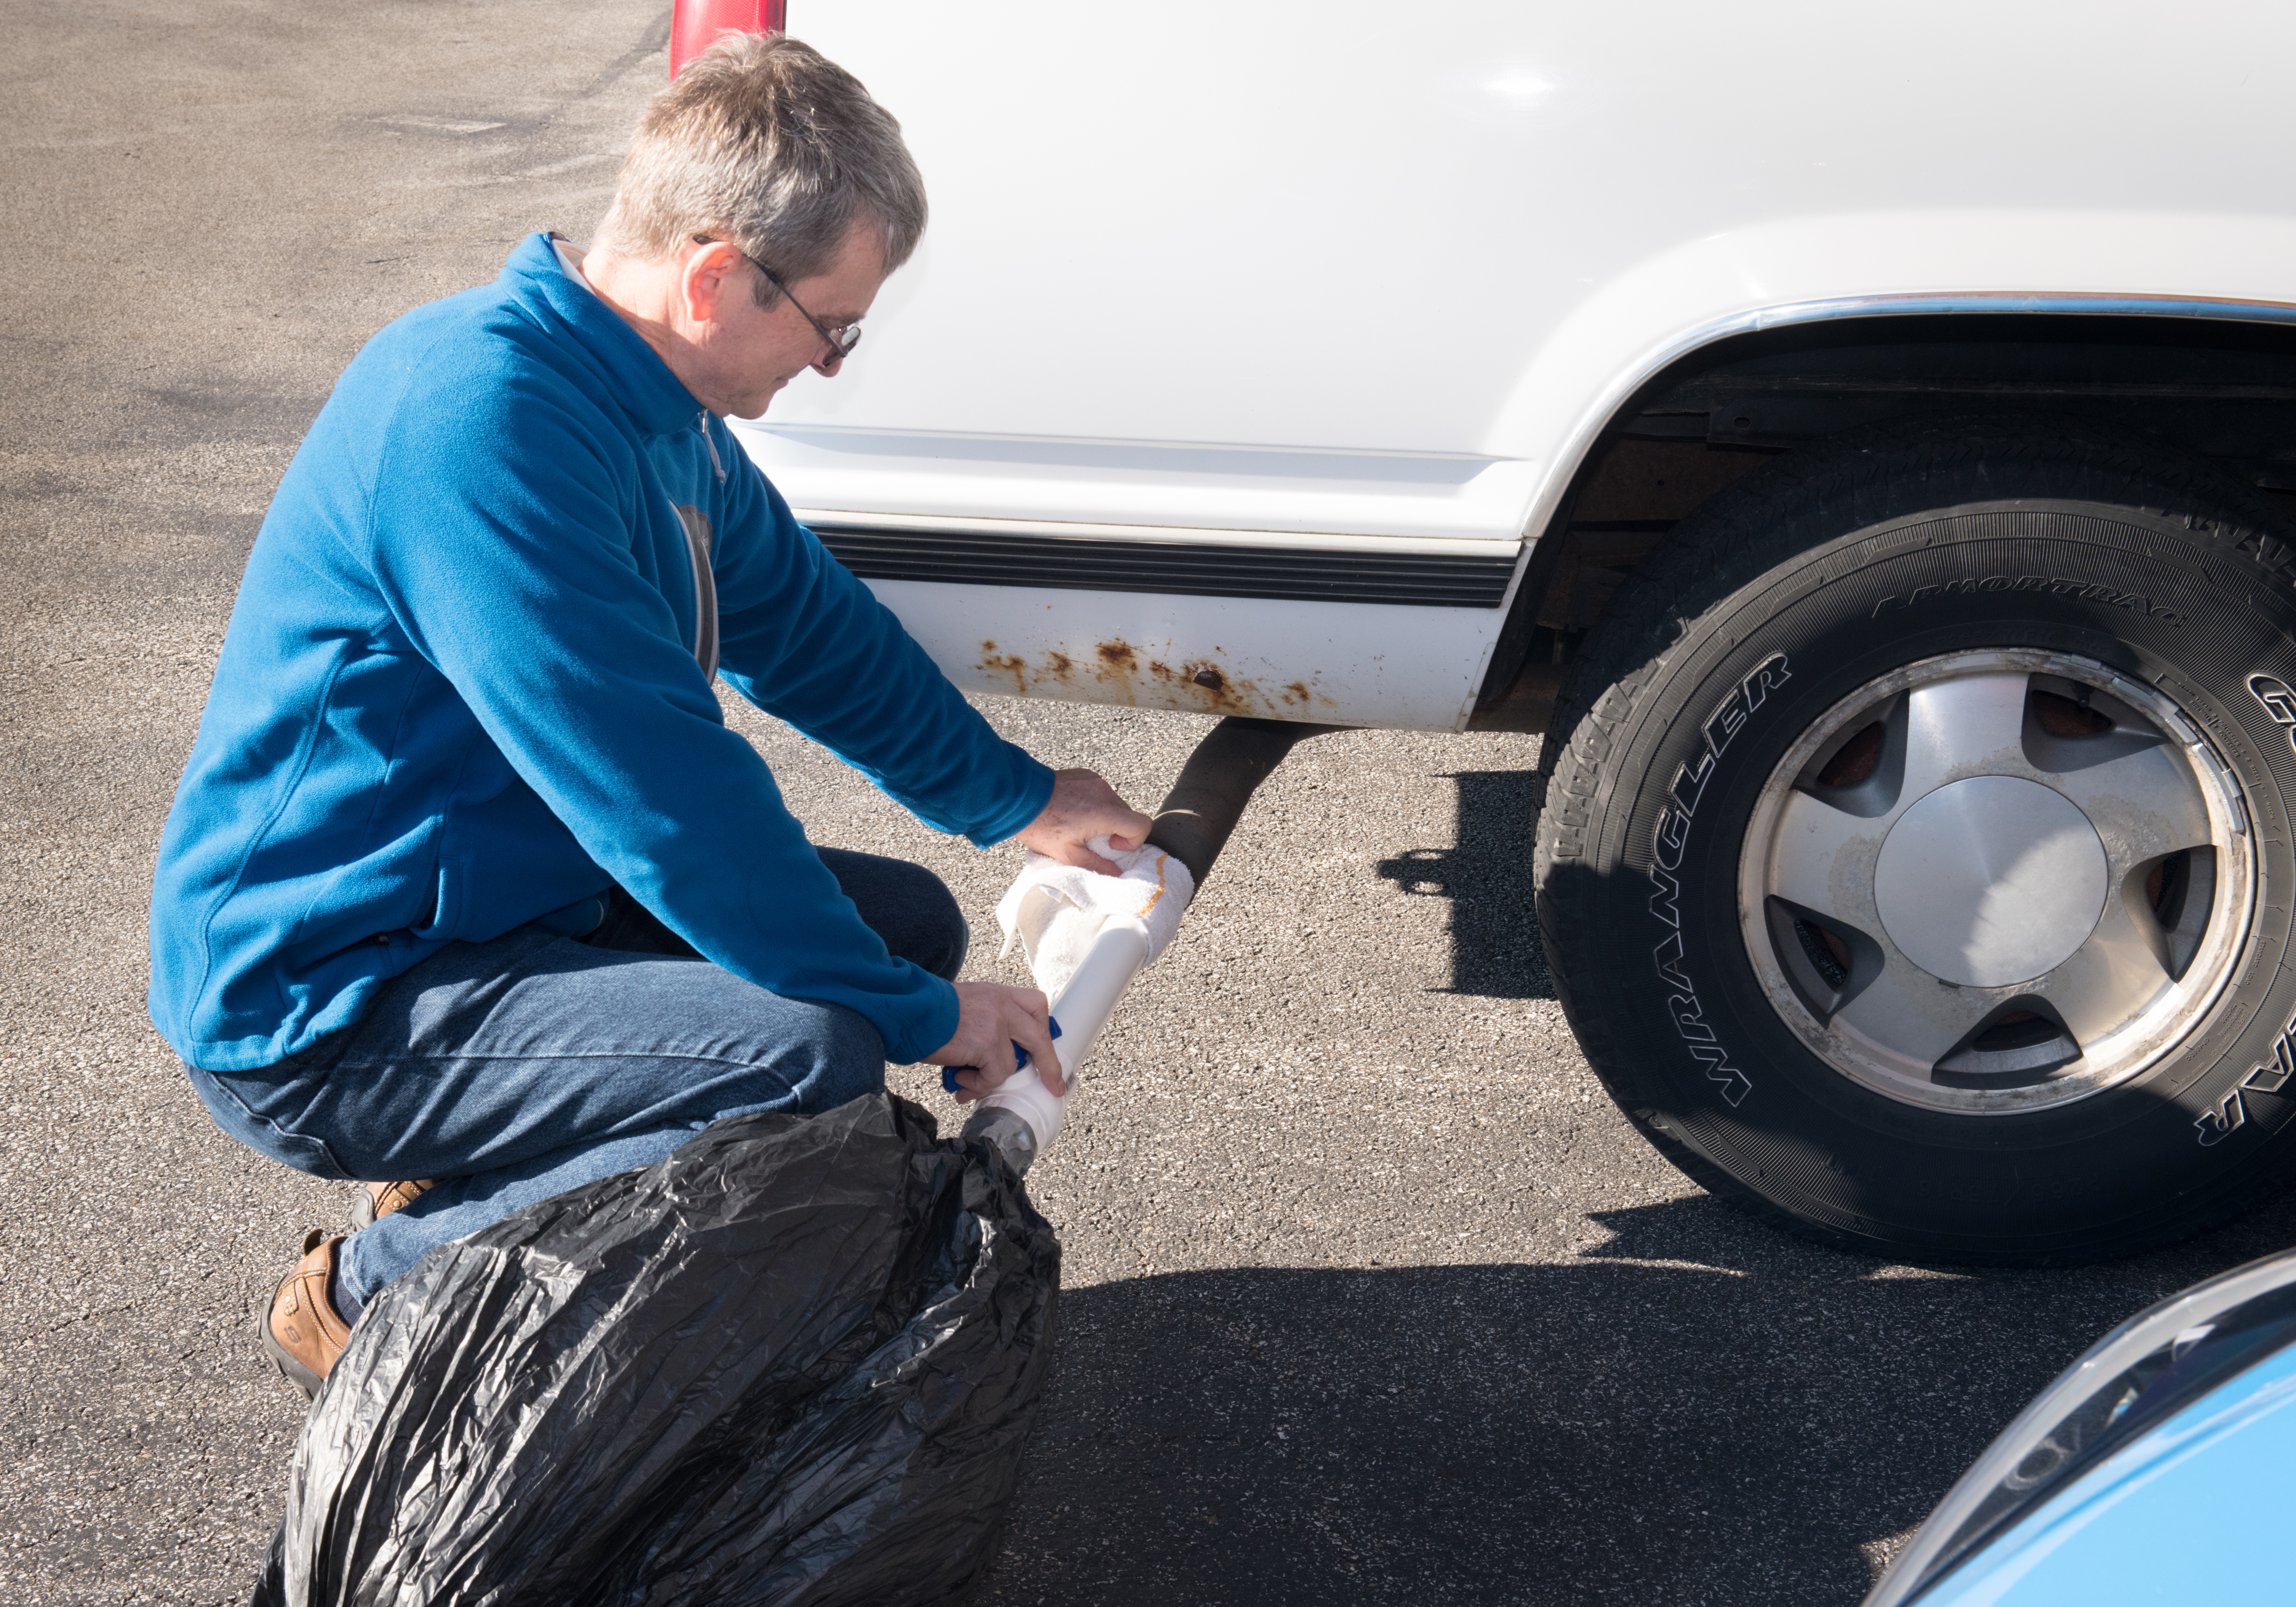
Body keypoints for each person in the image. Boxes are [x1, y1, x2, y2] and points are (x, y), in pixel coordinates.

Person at [146, 33, 1152, 1397]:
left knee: (899, 923)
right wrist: (922, 1018)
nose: (839, 360)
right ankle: (369, 1291)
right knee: (808, 1057)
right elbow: (666, 804)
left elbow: (807, 629)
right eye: (831, 323)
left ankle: (496, 1158)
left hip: (492, 913)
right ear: (713, 273)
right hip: (328, 992)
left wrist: (1017, 799)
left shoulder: (654, 413)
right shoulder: (480, 423)